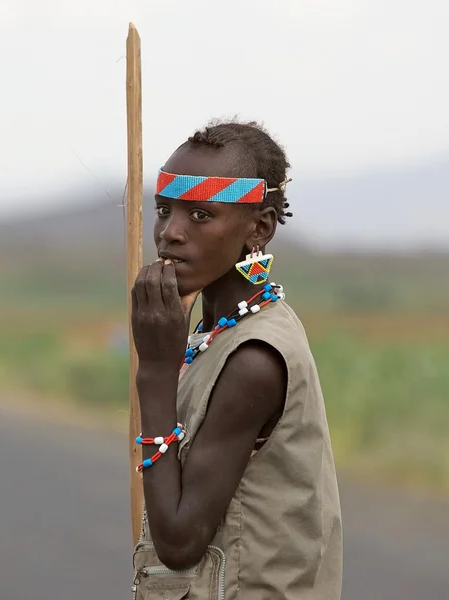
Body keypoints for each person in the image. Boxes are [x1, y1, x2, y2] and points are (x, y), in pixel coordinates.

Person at [131, 120, 342, 600]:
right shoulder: (219, 334)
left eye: (201, 215)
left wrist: (156, 370)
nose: (170, 233)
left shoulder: (254, 358)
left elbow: (180, 543)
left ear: (259, 228)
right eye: (165, 210)